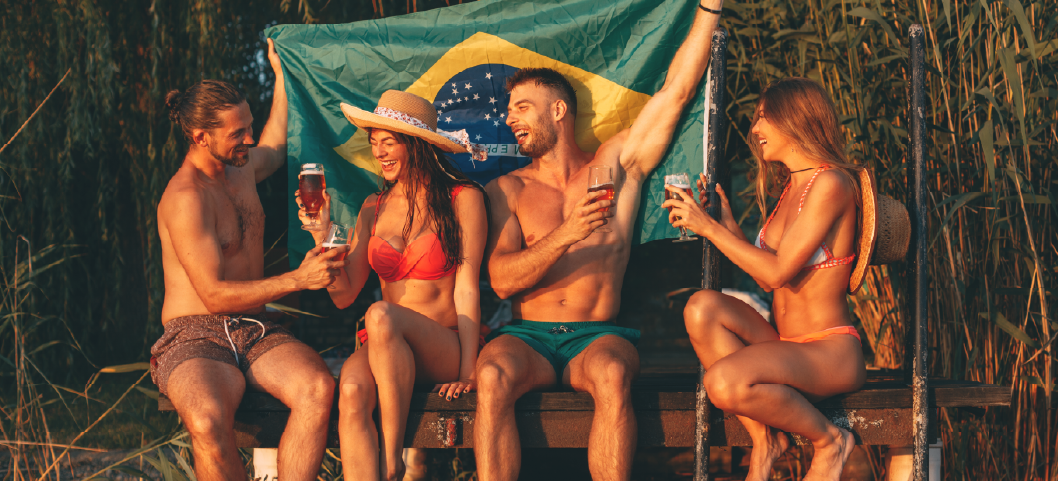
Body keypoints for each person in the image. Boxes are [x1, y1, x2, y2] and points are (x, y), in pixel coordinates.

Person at [474, 2, 724, 480]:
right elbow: (502, 282)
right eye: (509, 111)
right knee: (490, 376)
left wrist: (710, 8)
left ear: (559, 110)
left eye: (522, 107)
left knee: (613, 374)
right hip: (528, 337)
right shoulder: (506, 190)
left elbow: (676, 93)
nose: (510, 119)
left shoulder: (615, 166)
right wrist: (568, 234)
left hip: (598, 335)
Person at [154, 39, 343, 481]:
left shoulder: (241, 167)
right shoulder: (186, 198)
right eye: (237, 133)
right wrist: (298, 279)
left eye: (248, 126)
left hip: (255, 328)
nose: (249, 139)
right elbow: (215, 295)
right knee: (206, 420)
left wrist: (280, 75)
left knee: (318, 388)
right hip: (195, 334)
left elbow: (275, 148)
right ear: (201, 137)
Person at [663, 77, 869, 481]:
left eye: (763, 118)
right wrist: (729, 227)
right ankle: (766, 439)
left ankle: (830, 441)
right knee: (701, 307)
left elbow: (777, 271)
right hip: (787, 345)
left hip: (828, 352)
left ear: (795, 119)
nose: (754, 130)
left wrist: (708, 228)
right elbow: (771, 282)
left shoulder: (831, 184)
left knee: (721, 382)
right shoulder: (792, 187)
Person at [295, 90, 487, 481]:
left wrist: (468, 371)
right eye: (374, 144)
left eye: (389, 142)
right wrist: (320, 234)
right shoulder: (373, 206)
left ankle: (391, 463)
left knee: (380, 313)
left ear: (416, 145)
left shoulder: (461, 198)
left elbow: (467, 288)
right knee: (350, 390)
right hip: (384, 346)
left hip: (444, 345)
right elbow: (345, 294)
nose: (379, 153)